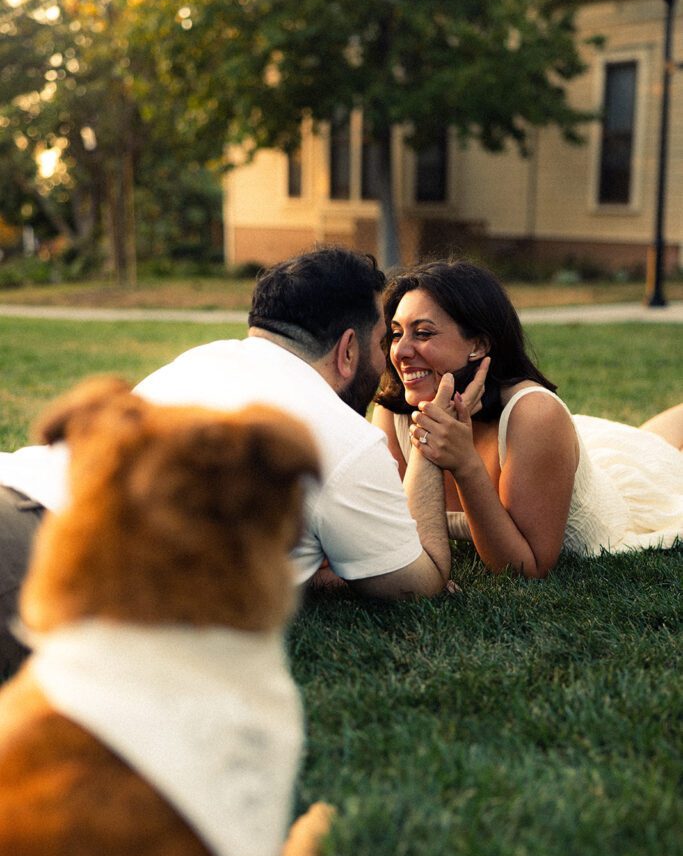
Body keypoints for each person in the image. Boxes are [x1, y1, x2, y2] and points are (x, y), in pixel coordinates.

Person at [0, 246, 485, 682]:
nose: (390, 361)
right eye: (383, 344)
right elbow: (419, 586)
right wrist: (429, 443)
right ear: (349, 350)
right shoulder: (343, 437)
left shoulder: (200, 360)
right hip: (50, 559)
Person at [373, 259, 683, 579]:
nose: (401, 352)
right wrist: (429, 441)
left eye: (423, 333)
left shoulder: (534, 415)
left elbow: (525, 567)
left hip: (608, 498)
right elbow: (399, 536)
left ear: (478, 345)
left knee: (657, 459)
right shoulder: (394, 411)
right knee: (646, 443)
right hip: (557, 456)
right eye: (397, 334)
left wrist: (465, 463)